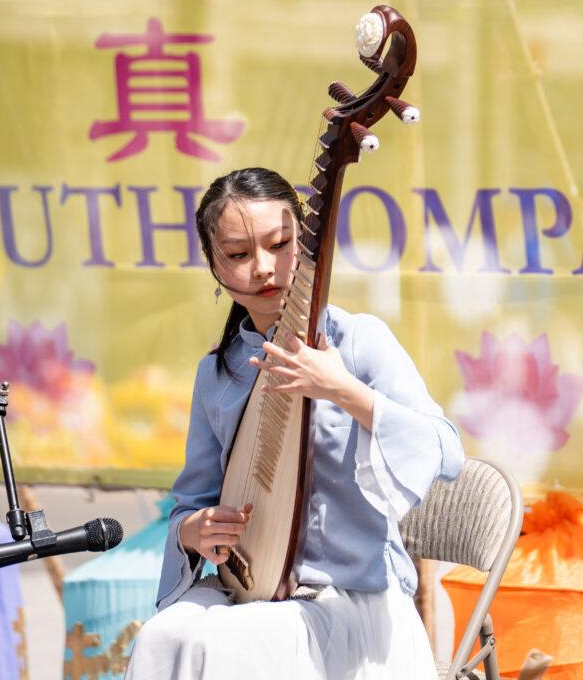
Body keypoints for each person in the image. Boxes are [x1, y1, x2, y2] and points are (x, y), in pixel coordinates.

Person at [125, 167, 464, 679]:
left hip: (353, 605)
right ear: (215, 267)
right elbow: (190, 506)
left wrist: (342, 388)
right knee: (161, 637)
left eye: (280, 244)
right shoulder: (217, 373)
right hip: (255, 592)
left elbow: (446, 450)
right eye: (238, 255)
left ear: (305, 245)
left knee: (218, 648)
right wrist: (195, 531)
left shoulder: (357, 341)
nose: (263, 269)